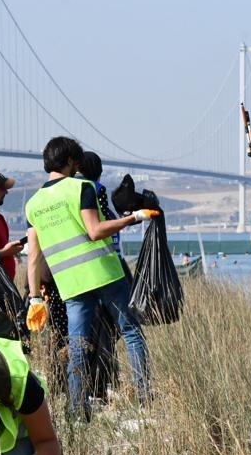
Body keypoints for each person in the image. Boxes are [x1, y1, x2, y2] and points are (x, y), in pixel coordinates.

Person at [25, 136, 157, 420]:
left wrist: (35, 297)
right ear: (72, 162)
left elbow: (33, 256)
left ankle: (76, 410)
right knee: (131, 331)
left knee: (77, 347)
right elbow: (95, 231)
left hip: (70, 283)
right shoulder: (81, 187)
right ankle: (144, 397)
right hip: (104, 273)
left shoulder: (33, 203)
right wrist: (134, 217)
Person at [76, 151, 127, 406]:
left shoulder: (80, 192)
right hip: (108, 269)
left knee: (84, 337)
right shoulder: (98, 192)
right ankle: (102, 385)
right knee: (112, 332)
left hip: (81, 274)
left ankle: (82, 390)